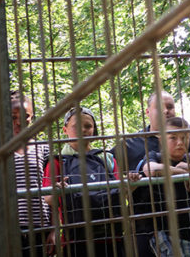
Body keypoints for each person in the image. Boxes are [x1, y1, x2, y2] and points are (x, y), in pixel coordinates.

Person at [43, 107, 136, 257]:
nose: (83, 130)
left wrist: (131, 183)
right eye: (76, 126)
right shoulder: (56, 161)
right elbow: (48, 199)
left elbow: (121, 193)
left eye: (88, 126)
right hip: (75, 241)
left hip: (111, 238)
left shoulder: (107, 158)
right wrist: (57, 190)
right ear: (65, 129)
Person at [134, 115, 190, 256]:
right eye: (173, 138)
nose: (180, 142)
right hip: (163, 232)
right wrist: (183, 173)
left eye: (184, 137)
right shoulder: (154, 156)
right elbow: (151, 169)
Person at [118, 90, 190, 181]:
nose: (165, 111)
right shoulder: (130, 143)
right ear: (147, 112)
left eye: (170, 107)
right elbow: (107, 171)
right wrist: (184, 173)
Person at [10, 91, 55, 256]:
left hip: (39, 227)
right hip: (7, 227)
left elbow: (51, 188)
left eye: (24, 116)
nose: (18, 122)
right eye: (13, 117)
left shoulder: (43, 147)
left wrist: (54, 229)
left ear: (32, 116)